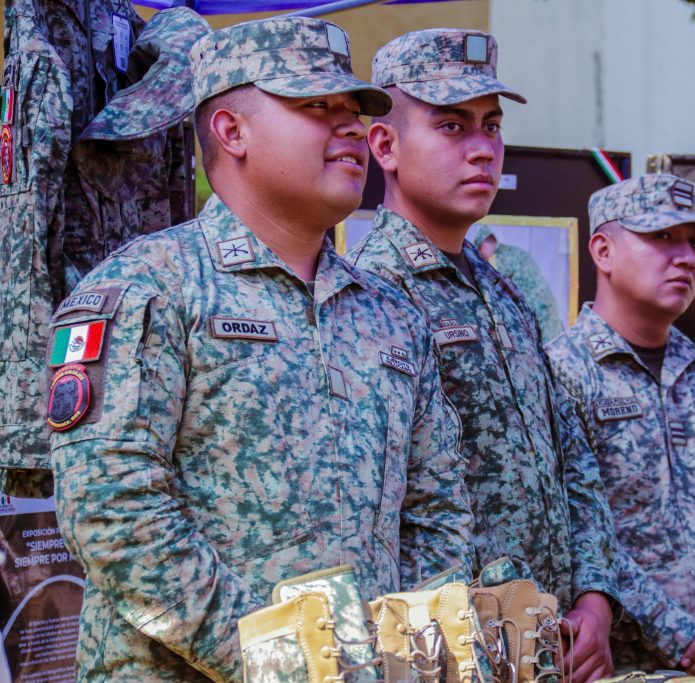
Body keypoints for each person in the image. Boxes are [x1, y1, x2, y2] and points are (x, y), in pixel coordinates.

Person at [45, 18, 474, 680]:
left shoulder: (392, 317)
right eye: (316, 105)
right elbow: (113, 511)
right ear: (231, 130)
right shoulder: (150, 288)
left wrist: (403, 661)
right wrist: (282, 663)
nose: (353, 126)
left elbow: (438, 511)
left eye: (355, 108)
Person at [345, 28, 620, 682]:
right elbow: (374, 519)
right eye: (451, 126)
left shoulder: (502, 291)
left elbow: (571, 454)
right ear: (384, 145)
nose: (482, 149)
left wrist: (594, 597)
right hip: (456, 657)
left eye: (491, 126)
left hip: (551, 648)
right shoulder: (372, 297)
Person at [545, 174, 695, 674]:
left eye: (694, 243)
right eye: (661, 236)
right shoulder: (557, 376)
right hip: (616, 671)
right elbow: (568, 528)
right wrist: (687, 638)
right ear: (603, 251)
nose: (686, 258)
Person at [475, 226, 564, 343]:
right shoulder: (514, 252)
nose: (481, 257)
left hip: (536, 313)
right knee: (554, 342)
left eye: (479, 251)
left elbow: (490, 289)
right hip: (545, 309)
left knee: (546, 346)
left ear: (484, 244)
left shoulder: (499, 257)